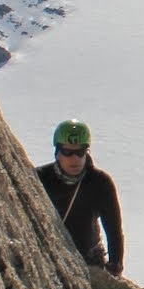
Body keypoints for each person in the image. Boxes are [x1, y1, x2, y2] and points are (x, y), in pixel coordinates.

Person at [36, 119, 124, 277]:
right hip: (47, 259)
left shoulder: (100, 183)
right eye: (68, 152)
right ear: (57, 152)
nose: (74, 159)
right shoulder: (40, 178)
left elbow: (114, 231)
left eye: (80, 152)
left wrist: (115, 266)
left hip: (89, 262)